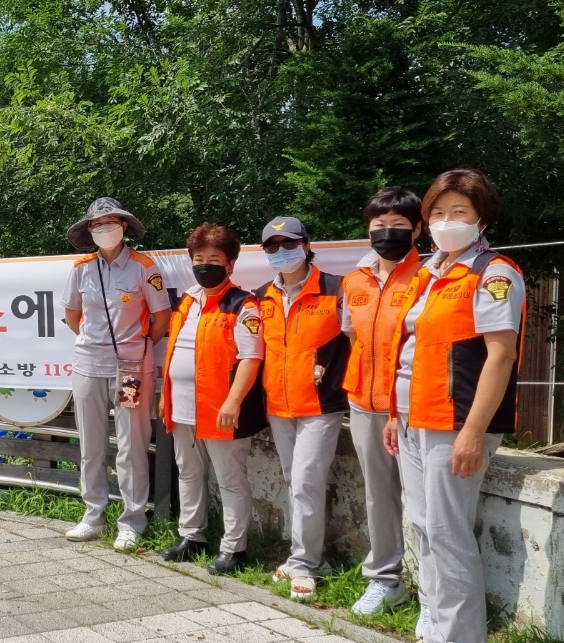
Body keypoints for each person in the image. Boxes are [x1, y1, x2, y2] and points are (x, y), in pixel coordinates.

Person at [382, 169, 523, 643]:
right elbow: (411, 349)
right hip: (413, 416)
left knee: (448, 529)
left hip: (455, 419)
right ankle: (434, 633)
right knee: (423, 526)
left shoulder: (493, 273)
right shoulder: (430, 271)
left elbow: (500, 356)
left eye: (459, 212)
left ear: (482, 218)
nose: (446, 222)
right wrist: (394, 414)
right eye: (437, 213)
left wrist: (472, 431)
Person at [60, 197, 172, 550]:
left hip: (131, 369)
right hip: (88, 366)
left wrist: (137, 347)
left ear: (124, 226)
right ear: (89, 230)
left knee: (132, 445)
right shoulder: (81, 268)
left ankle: (132, 522)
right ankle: (92, 516)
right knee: (91, 445)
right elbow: (72, 315)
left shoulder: (144, 267)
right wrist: (94, 343)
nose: (104, 228)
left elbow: (162, 318)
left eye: (110, 222)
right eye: (97, 224)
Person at [160, 224, 268, 574]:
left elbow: (251, 358)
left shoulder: (243, 304)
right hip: (182, 406)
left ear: (230, 264)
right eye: (198, 259)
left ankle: (235, 549)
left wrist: (233, 402)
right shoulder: (187, 301)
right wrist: (165, 396)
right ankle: (192, 536)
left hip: (221, 409)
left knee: (230, 479)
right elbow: (174, 351)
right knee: (188, 473)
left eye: (214, 259)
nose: (205, 265)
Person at [254, 216, 350, 601]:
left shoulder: (336, 289)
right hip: (278, 404)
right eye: (272, 246)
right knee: (295, 480)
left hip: (320, 404)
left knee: (307, 480)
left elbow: (356, 342)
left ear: (307, 246)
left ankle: (305, 564)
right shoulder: (262, 295)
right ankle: (308, 557)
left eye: (289, 244)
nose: (282, 251)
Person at [339, 188, 423, 615]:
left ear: (418, 229)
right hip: (364, 402)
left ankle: (431, 589)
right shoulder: (354, 281)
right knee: (378, 493)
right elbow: (352, 335)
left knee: (423, 500)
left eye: (398, 226)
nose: (387, 233)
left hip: (411, 405)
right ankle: (386, 579)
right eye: (379, 226)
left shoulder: (428, 277)